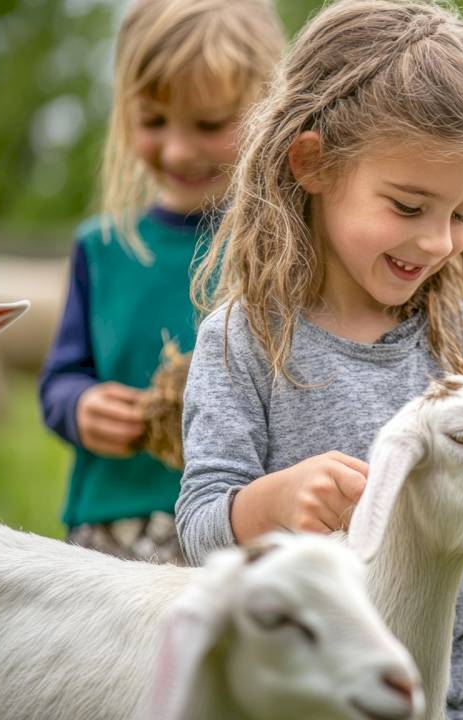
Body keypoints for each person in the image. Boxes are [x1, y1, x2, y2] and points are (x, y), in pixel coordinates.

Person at [176, 2, 463, 717]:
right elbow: (200, 532)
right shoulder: (245, 340)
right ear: (314, 164)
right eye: (409, 207)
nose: (440, 241)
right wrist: (275, 505)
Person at [38, 0, 284, 564]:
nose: (176, 150)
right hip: (111, 531)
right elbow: (61, 376)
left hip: (237, 525)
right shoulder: (101, 249)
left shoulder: (280, 247)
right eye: (153, 122)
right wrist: (79, 406)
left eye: (209, 124)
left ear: (269, 108)